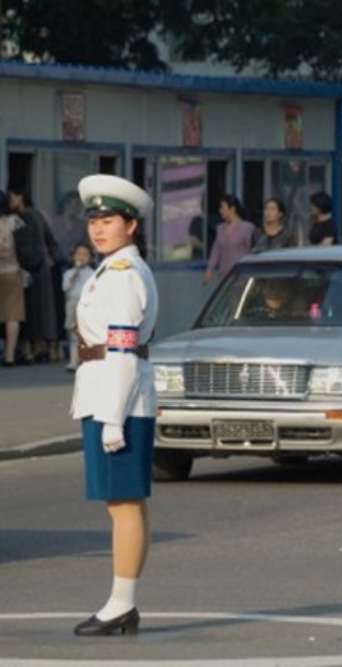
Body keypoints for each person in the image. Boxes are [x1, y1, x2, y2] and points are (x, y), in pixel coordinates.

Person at [71, 174, 159, 637]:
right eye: (94, 221)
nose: (98, 229)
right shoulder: (112, 270)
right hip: (114, 391)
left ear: (131, 225)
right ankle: (123, 602)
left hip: (116, 395)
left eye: (109, 220)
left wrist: (112, 417)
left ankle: (121, 604)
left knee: (123, 504)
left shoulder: (122, 276)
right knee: (126, 503)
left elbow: (122, 349)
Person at [9, 185, 63, 363]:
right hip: (40, 268)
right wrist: (58, 260)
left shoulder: (21, 218)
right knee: (39, 309)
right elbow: (50, 240)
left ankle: (32, 348)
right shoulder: (36, 215)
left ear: (20, 196)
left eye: (12, 196)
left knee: (32, 310)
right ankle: (40, 347)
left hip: (27, 268)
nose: (10, 200)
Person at [202, 194, 256, 285]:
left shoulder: (247, 227)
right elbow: (216, 251)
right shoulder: (220, 228)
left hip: (240, 275)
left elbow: (251, 251)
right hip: (224, 275)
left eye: (223, 208)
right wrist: (210, 270)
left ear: (232, 209)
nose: (220, 211)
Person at [0, 190, 26, 368]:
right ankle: (9, 355)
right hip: (12, 270)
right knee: (12, 315)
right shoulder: (15, 222)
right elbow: (24, 246)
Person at [62, 243, 96, 371]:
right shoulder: (68, 273)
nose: (81, 257)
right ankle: (73, 361)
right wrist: (75, 273)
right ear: (73, 257)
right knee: (73, 334)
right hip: (72, 304)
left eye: (85, 255)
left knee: (87, 334)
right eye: (78, 254)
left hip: (87, 305)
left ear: (91, 258)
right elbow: (65, 288)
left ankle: (86, 360)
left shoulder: (93, 273)